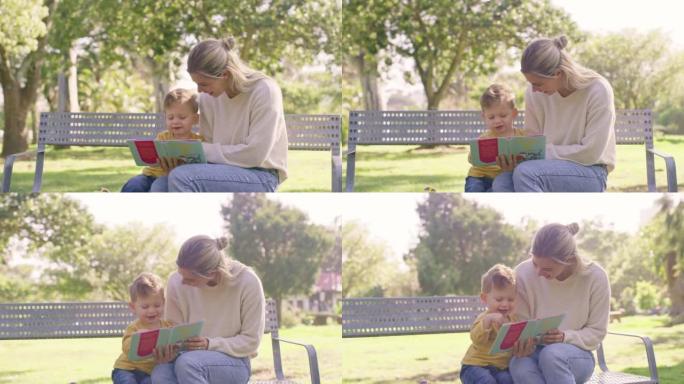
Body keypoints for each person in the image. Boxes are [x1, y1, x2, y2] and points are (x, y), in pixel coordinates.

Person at [492, 35, 616, 192]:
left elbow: (590, 153)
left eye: (538, 83)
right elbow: (533, 143)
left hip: (591, 171)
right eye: (531, 83)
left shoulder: (598, 90)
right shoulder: (534, 92)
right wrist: (517, 158)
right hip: (543, 167)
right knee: (502, 182)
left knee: (527, 174)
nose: (534, 89)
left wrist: (543, 153)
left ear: (558, 73)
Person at [165, 37, 287, 192]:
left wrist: (198, 149)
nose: (199, 90)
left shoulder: (264, 91)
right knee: (148, 184)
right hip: (218, 170)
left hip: (261, 175)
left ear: (225, 74)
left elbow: (255, 155)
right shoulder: (208, 97)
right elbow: (208, 149)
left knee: (182, 178)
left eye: (204, 84)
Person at [151, 235, 265, 384]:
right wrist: (168, 352)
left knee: (188, 364)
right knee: (161, 374)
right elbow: (175, 332)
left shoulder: (247, 281)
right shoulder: (176, 281)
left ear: (211, 273)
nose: (183, 282)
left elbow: (251, 341)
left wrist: (209, 344)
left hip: (234, 361)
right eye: (181, 275)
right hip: (185, 358)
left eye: (191, 279)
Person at [509, 223, 610, 383]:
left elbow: (597, 332)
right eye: (535, 263)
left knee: (551, 355)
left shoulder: (595, 277)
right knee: (519, 365)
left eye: (547, 268)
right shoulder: (522, 273)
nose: (538, 273)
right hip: (534, 352)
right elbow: (520, 322)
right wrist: (522, 343)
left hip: (576, 355)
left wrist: (564, 336)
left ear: (568, 260)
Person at [121, 89, 203, 192]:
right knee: (133, 185)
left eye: (182, 117)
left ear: (195, 119)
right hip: (150, 175)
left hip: (174, 178)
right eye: (170, 117)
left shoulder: (199, 141)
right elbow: (153, 159)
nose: (175, 121)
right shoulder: (162, 137)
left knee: (158, 188)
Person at [112, 272, 175, 384]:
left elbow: (176, 345)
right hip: (127, 369)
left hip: (149, 373)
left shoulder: (168, 326)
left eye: (157, 305)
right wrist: (137, 338)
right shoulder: (134, 327)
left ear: (164, 303)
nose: (151, 310)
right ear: (133, 307)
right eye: (145, 307)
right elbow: (126, 348)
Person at [460, 264, 517, 384]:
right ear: (484, 298)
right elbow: (476, 339)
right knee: (487, 381)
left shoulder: (513, 320)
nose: (505, 304)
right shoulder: (484, 318)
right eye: (499, 299)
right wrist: (487, 322)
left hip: (500, 368)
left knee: (508, 380)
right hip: (474, 366)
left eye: (510, 299)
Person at [465, 84, 525, 192]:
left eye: (503, 115)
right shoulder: (485, 137)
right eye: (491, 117)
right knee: (474, 189)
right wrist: (476, 152)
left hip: (503, 178)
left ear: (514, 113)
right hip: (479, 176)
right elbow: (471, 159)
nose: (497, 121)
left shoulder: (522, 136)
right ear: (484, 117)